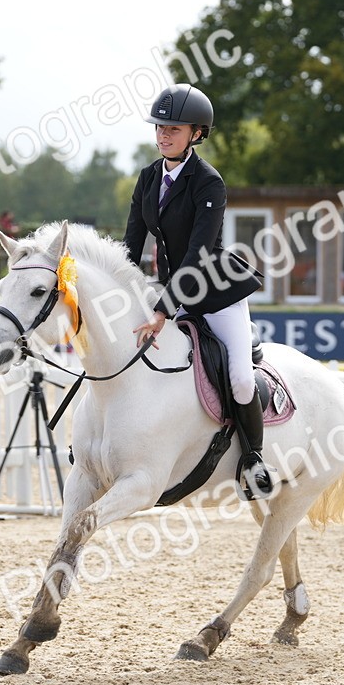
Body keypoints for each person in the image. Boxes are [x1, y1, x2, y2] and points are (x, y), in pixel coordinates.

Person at [122, 83, 272, 497]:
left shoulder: (209, 183)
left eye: (174, 128)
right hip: (171, 292)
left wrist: (162, 310)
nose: (164, 134)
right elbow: (131, 246)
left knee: (241, 379)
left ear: (196, 134)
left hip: (215, 291)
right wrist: (118, 294)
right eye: (160, 127)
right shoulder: (148, 178)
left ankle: (253, 459)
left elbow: (196, 252)